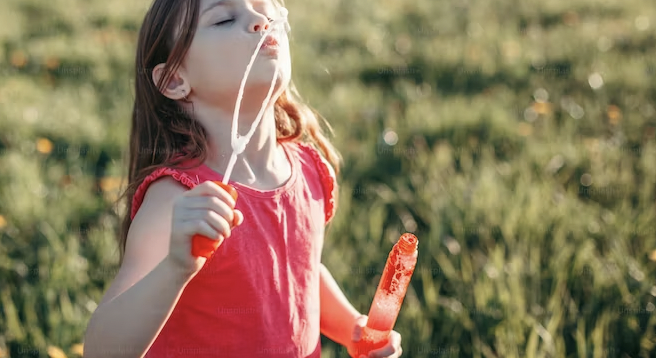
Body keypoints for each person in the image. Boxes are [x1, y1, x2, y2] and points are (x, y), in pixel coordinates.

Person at [83, 0, 403, 357]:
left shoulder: (307, 168)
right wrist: (176, 267)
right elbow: (102, 350)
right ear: (175, 79)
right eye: (224, 19)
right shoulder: (177, 201)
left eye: (265, 9)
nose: (258, 20)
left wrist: (351, 328)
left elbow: (300, 273)